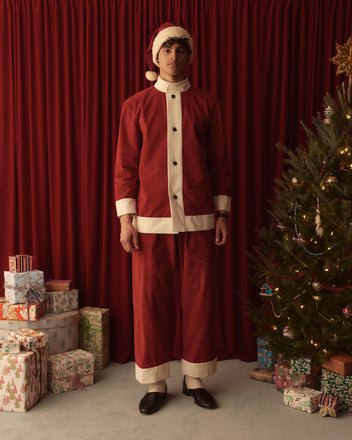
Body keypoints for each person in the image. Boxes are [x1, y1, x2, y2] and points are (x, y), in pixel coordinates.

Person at [114, 22, 231, 415]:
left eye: (181, 51)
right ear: (156, 56)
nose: (174, 58)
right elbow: (125, 167)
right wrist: (125, 219)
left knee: (199, 301)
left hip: (199, 218)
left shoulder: (208, 104)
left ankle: (195, 378)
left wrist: (221, 213)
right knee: (150, 302)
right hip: (150, 222)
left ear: (190, 57)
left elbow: (219, 164)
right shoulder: (136, 106)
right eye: (167, 51)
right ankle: (156, 382)